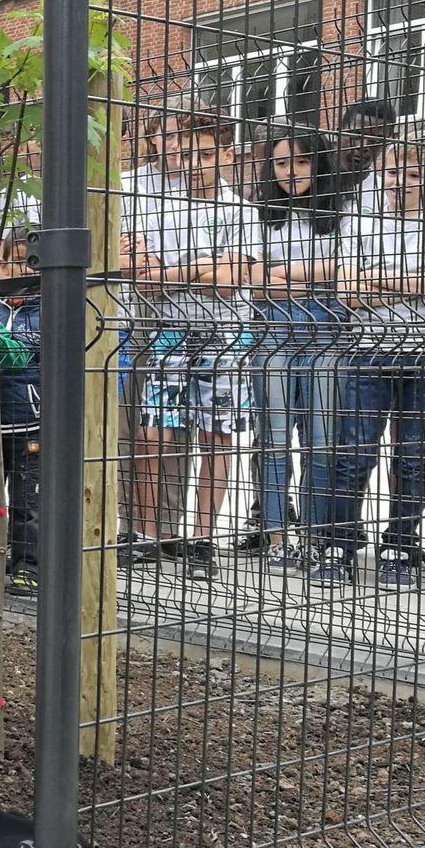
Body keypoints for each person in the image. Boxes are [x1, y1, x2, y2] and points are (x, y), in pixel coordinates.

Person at [311, 127, 425, 590]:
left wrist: (380, 281)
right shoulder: (359, 220)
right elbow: (346, 293)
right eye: (392, 170)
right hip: (369, 350)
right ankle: (337, 544)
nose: (399, 180)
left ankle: (400, 543)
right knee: (354, 453)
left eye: (413, 172)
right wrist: (417, 279)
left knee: (415, 455)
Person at [122, 101, 263, 580]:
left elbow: (229, 282)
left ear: (227, 154)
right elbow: (144, 281)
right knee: (151, 434)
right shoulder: (162, 205)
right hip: (169, 331)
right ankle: (146, 536)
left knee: (216, 437)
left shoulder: (241, 210)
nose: (194, 163)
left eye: (206, 154)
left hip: (226, 334)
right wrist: (202, 269)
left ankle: (202, 538)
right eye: (187, 153)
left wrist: (175, 272)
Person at [252, 128, 350, 573]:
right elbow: (247, 276)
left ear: (319, 164)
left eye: (302, 162)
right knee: (273, 439)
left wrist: (282, 273)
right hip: (273, 322)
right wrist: (304, 277)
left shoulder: (341, 212)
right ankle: (276, 537)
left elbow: (347, 270)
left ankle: (311, 537)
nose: (291, 172)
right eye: (280, 163)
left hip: (327, 323)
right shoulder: (261, 214)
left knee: (322, 439)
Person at [0, 234, 44, 597]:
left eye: (29, 262)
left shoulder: (45, 307)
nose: (20, 269)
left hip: (29, 416)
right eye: (13, 260)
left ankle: (28, 565)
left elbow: (26, 355)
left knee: (26, 500)